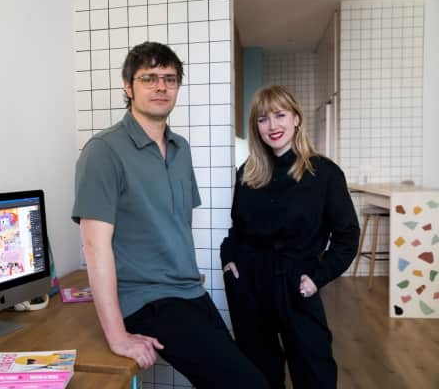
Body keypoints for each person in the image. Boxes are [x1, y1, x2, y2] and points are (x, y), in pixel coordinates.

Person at [72, 41, 269, 388]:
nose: (161, 86)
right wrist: (118, 336)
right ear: (128, 86)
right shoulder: (103, 151)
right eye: (149, 78)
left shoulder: (181, 148)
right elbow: (94, 247)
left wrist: (184, 270)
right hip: (145, 299)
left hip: (187, 290)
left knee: (242, 374)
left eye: (169, 78)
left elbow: (177, 223)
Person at [220, 85, 360, 389]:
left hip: (297, 282)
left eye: (280, 115)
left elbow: (348, 236)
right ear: (256, 127)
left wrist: (318, 277)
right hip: (249, 283)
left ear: (296, 119)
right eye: (263, 119)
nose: (272, 126)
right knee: (259, 372)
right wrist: (229, 261)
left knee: (314, 370)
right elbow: (237, 230)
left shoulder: (324, 173)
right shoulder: (247, 172)